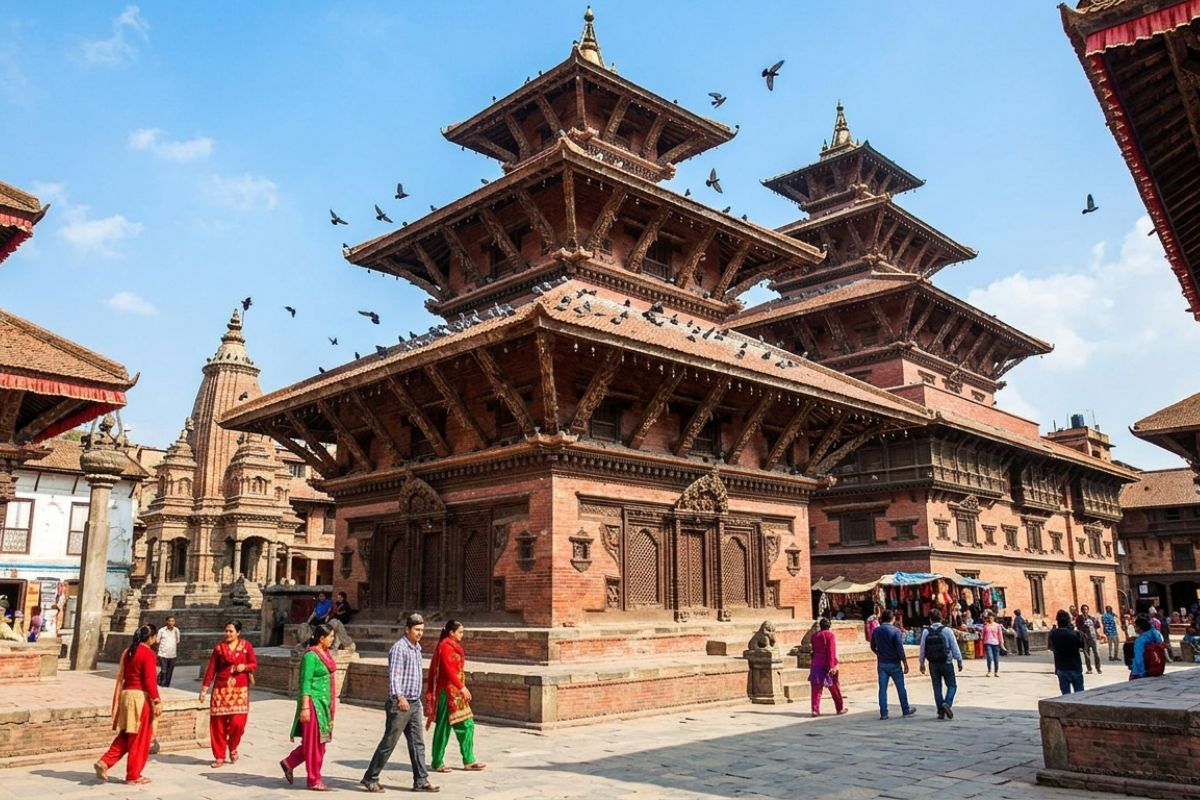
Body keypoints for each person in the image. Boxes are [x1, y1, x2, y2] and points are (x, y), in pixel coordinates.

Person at [361, 612, 439, 793]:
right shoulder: (399, 648)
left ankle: (421, 780)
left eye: (422, 630)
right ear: (407, 629)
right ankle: (370, 777)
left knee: (417, 743)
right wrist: (400, 697)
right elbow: (394, 675)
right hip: (401, 703)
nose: (420, 633)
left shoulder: (417, 648)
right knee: (389, 742)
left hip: (414, 703)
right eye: (416, 629)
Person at [95, 624, 161, 784]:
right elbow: (149, 680)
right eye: (155, 637)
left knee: (126, 734)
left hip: (126, 695)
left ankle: (105, 762)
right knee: (140, 738)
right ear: (151, 638)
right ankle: (133, 775)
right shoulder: (148, 653)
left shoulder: (128, 651)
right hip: (140, 698)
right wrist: (157, 700)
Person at [281, 623, 337, 791]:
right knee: (314, 744)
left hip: (324, 705)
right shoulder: (311, 656)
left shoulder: (326, 654)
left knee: (319, 743)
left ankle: (289, 762)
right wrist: (305, 707)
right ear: (321, 638)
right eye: (331, 637)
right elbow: (305, 682)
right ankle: (313, 779)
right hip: (313, 704)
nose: (333, 639)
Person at [426, 620, 487, 771]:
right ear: (451, 632)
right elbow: (448, 670)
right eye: (460, 632)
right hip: (447, 692)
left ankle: (469, 760)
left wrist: (460, 688)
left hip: (456, 693)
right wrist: (462, 687)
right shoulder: (445, 646)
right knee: (443, 727)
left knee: (467, 724)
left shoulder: (453, 646)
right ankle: (437, 762)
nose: (462, 635)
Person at [199, 620, 258, 768]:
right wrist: (204, 689)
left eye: (231, 631)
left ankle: (233, 746)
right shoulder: (219, 648)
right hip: (220, 691)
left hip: (239, 691)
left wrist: (244, 666)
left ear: (238, 632)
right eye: (226, 631)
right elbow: (211, 669)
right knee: (218, 726)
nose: (227, 634)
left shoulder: (246, 646)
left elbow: (254, 663)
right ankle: (219, 755)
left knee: (238, 724)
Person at [869, 609, 915, 720]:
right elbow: (900, 649)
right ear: (893, 619)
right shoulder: (896, 631)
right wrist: (905, 662)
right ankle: (905, 710)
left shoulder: (876, 631)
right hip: (894, 663)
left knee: (882, 689)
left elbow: (872, 646)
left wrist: (878, 653)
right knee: (901, 688)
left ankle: (884, 713)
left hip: (882, 663)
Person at [919, 608, 963, 721]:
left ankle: (940, 712)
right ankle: (947, 703)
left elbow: (922, 648)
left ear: (930, 619)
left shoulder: (926, 632)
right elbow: (954, 646)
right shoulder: (947, 630)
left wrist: (922, 663)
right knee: (952, 685)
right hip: (946, 662)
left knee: (937, 687)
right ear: (941, 618)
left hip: (933, 663)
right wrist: (959, 660)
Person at [807, 617, 847, 718]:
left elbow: (813, 651)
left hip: (816, 664)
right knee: (834, 688)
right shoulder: (829, 635)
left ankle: (815, 710)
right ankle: (839, 708)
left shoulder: (815, 636)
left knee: (816, 690)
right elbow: (831, 651)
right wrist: (832, 666)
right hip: (827, 664)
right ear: (829, 626)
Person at [1048, 610, 1086, 695]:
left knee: (1065, 696)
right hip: (1075, 667)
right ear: (1068, 621)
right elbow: (1083, 645)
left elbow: (1051, 646)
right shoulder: (1075, 634)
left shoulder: (1053, 634)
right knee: (1080, 695)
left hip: (1061, 668)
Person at [1130, 614, 1166, 680]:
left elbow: (1139, 658)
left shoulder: (1140, 640)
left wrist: (1142, 673)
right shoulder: (1156, 634)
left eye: (1135, 626)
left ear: (1139, 627)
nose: (1134, 629)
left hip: (1140, 672)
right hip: (1155, 668)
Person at [1074, 604, 1102, 674]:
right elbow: (1078, 628)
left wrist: (1098, 633)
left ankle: (1098, 668)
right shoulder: (1079, 618)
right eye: (1083, 609)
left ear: (1088, 610)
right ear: (1081, 610)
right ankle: (1089, 669)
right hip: (1085, 639)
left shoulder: (1092, 618)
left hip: (1093, 638)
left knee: (1097, 653)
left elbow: (1097, 626)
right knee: (1087, 655)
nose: (1085, 611)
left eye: (1086, 609)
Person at [157, 615, 181, 687]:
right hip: (162, 654)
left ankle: (167, 685)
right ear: (167, 622)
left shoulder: (176, 631)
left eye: (173, 621)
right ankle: (161, 683)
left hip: (172, 654)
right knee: (164, 670)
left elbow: (178, 640)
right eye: (170, 621)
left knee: (169, 672)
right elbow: (157, 640)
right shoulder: (162, 630)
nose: (171, 623)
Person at [981, 612, 1004, 677]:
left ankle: (996, 672)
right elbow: (983, 635)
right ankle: (989, 671)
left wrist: (1002, 644)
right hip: (987, 643)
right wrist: (982, 642)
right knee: (989, 657)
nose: (990, 619)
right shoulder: (985, 626)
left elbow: (1000, 635)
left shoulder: (997, 625)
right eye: (989, 618)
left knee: (996, 658)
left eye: (991, 618)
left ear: (993, 618)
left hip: (996, 643)